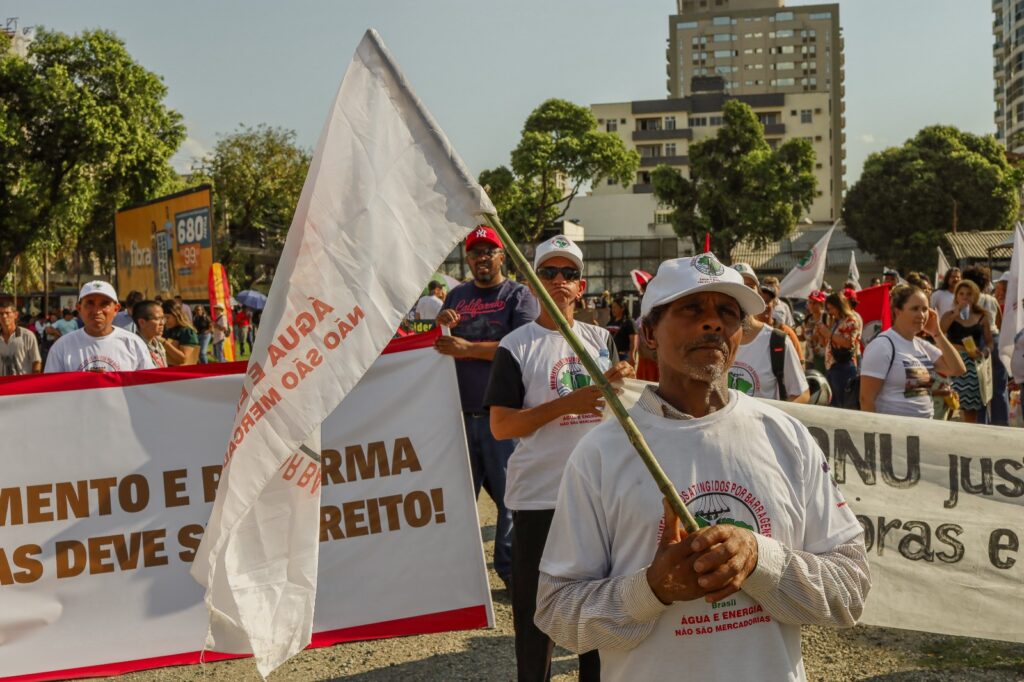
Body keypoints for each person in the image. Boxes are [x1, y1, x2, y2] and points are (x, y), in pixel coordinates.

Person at [534, 252, 870, 682]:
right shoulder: (601, 453)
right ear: (650, 333)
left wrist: (757, 559)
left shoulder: (785, 436)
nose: (713, 323)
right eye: (692, 308)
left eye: (728, 313)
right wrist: (652, 589)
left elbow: (850, 589)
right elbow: (558, 612)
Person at [485, 234, 633, 682]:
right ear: (531, 282)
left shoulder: (601, 340)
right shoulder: (516, 345)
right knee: (536, 614)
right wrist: (569, 404)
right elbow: (501, 426)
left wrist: (622, 383)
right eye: (548, 272)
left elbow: (616, 412)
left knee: (597, 609)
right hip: (539, 497)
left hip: (598, 498)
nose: (558, 280)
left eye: (568, 273)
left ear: (581, 286)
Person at [434, 225, 539, 595]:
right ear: (468, 258)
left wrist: (469, 349)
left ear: (501, 256)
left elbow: (524, 346)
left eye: (489, 251)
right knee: (458, 501)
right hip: (458, 417)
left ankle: (512, 574)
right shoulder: (457, 296)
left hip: (502, 416)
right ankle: (460, 580)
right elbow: (441, 349)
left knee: (512, 499)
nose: (482, 258)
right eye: (475, 252)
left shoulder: (519, 295)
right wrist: (441, 328)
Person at [860, 285, 965, 418]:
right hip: (894, 431)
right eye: (915, 309)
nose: (921, 315)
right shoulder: (882, 345)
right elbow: (866, 399)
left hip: (923, 429)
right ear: (898, 311)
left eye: (925, 309)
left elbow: (957, 369)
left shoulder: (922, 345)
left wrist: (937, 333)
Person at [44, 281, 154, 373]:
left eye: (104, 304)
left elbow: (148, 387)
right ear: (79, 308)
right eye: (90, 303)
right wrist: (83, 382)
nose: (97, 311)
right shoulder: (61, 348)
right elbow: (51, 391)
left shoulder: (133, 344)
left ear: (116, 309)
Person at [728, 284, 810, 403]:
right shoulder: (713, 339)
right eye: (738, 286)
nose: (766, 306)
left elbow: (800, 391)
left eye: (750, 286)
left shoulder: (780, 338)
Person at [940, 280, 993, 424]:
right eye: (961, 293)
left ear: (975, 296)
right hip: (952, 361)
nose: (965, 297)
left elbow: (989, 342)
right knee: (949, 403)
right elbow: (940, 331)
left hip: (972, 365)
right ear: (956, 296)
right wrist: (954, 313)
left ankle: (969, 440)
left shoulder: (982, 316)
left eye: (969, 294)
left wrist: (985, 352)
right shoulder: (948, 314)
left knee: (970, 408)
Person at [963, 266, 1006, 425]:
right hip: (995, 340)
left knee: (978, 388)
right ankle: (1002, 426)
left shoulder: (967, 300)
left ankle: (981, 425)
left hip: (975, 341)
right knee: (999, 389)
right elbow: (1000, 322)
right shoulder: (992, 299)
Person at [821, 291, 861, 408]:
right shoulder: (835, 321)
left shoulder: (851, 320)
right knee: (834, 402)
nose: (830, 312)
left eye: (832, 308)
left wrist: (829, 334)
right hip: (832, 365)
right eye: (828, 309)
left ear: (840, 306)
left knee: (843, 403)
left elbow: (849, 343)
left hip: (843, 366)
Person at [0, 298, 42, 375]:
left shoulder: (27, 336)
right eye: (1, 313)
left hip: (22, 384)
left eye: (7, 313)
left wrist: (34, 382)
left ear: (15, 315)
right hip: (2, 385)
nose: (4, 316)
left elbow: (36, 361)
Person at [162, 300, 200, 365]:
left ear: (177, 315)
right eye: (162, 318)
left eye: (167, 317)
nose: (164, 321)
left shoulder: (187, 331)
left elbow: (184, 359)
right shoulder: (168, 330)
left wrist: (164, 342)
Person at [133, 300, 168, 368]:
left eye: (163, 318)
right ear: (142, 322)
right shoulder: (133, 348)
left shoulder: (158, 344)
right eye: (157, 319)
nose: (162, 323)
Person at [605, 297, 638, 366]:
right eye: (612, 308)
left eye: (615, 307)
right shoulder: (610, 322)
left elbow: (633, 340)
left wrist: (631, 355)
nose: (613, 310)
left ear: (622, 308)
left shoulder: (629, 322)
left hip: (623, 356)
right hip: (610, 355)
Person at [803, 290, 829, 373]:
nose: (812, 305)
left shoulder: (826, 318)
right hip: (809, 359)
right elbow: (804, 337)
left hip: (822, 358)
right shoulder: (807, 319)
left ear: (822, 304)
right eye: (810, 302)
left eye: (815, 303)